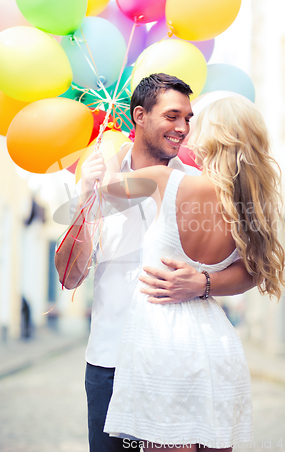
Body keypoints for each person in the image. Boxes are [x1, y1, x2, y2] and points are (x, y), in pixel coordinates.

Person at [55, 74, 254, 452]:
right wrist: (84, 200)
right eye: (172, 116)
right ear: (140, 116)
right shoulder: (99, 178)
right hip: (110, 363)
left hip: (177, 362)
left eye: (188, 119)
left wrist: (204, 283)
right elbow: (69, 275)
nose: (183, 129)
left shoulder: (199, 182)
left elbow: (250, 270)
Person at [101, 94, 285, 451]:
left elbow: (108, 189)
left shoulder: (164, 180)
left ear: (209, 136)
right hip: (217, 345)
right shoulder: (249, 207)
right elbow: (253, 273)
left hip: (161, 345)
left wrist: (110, 139)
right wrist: (205, 283)